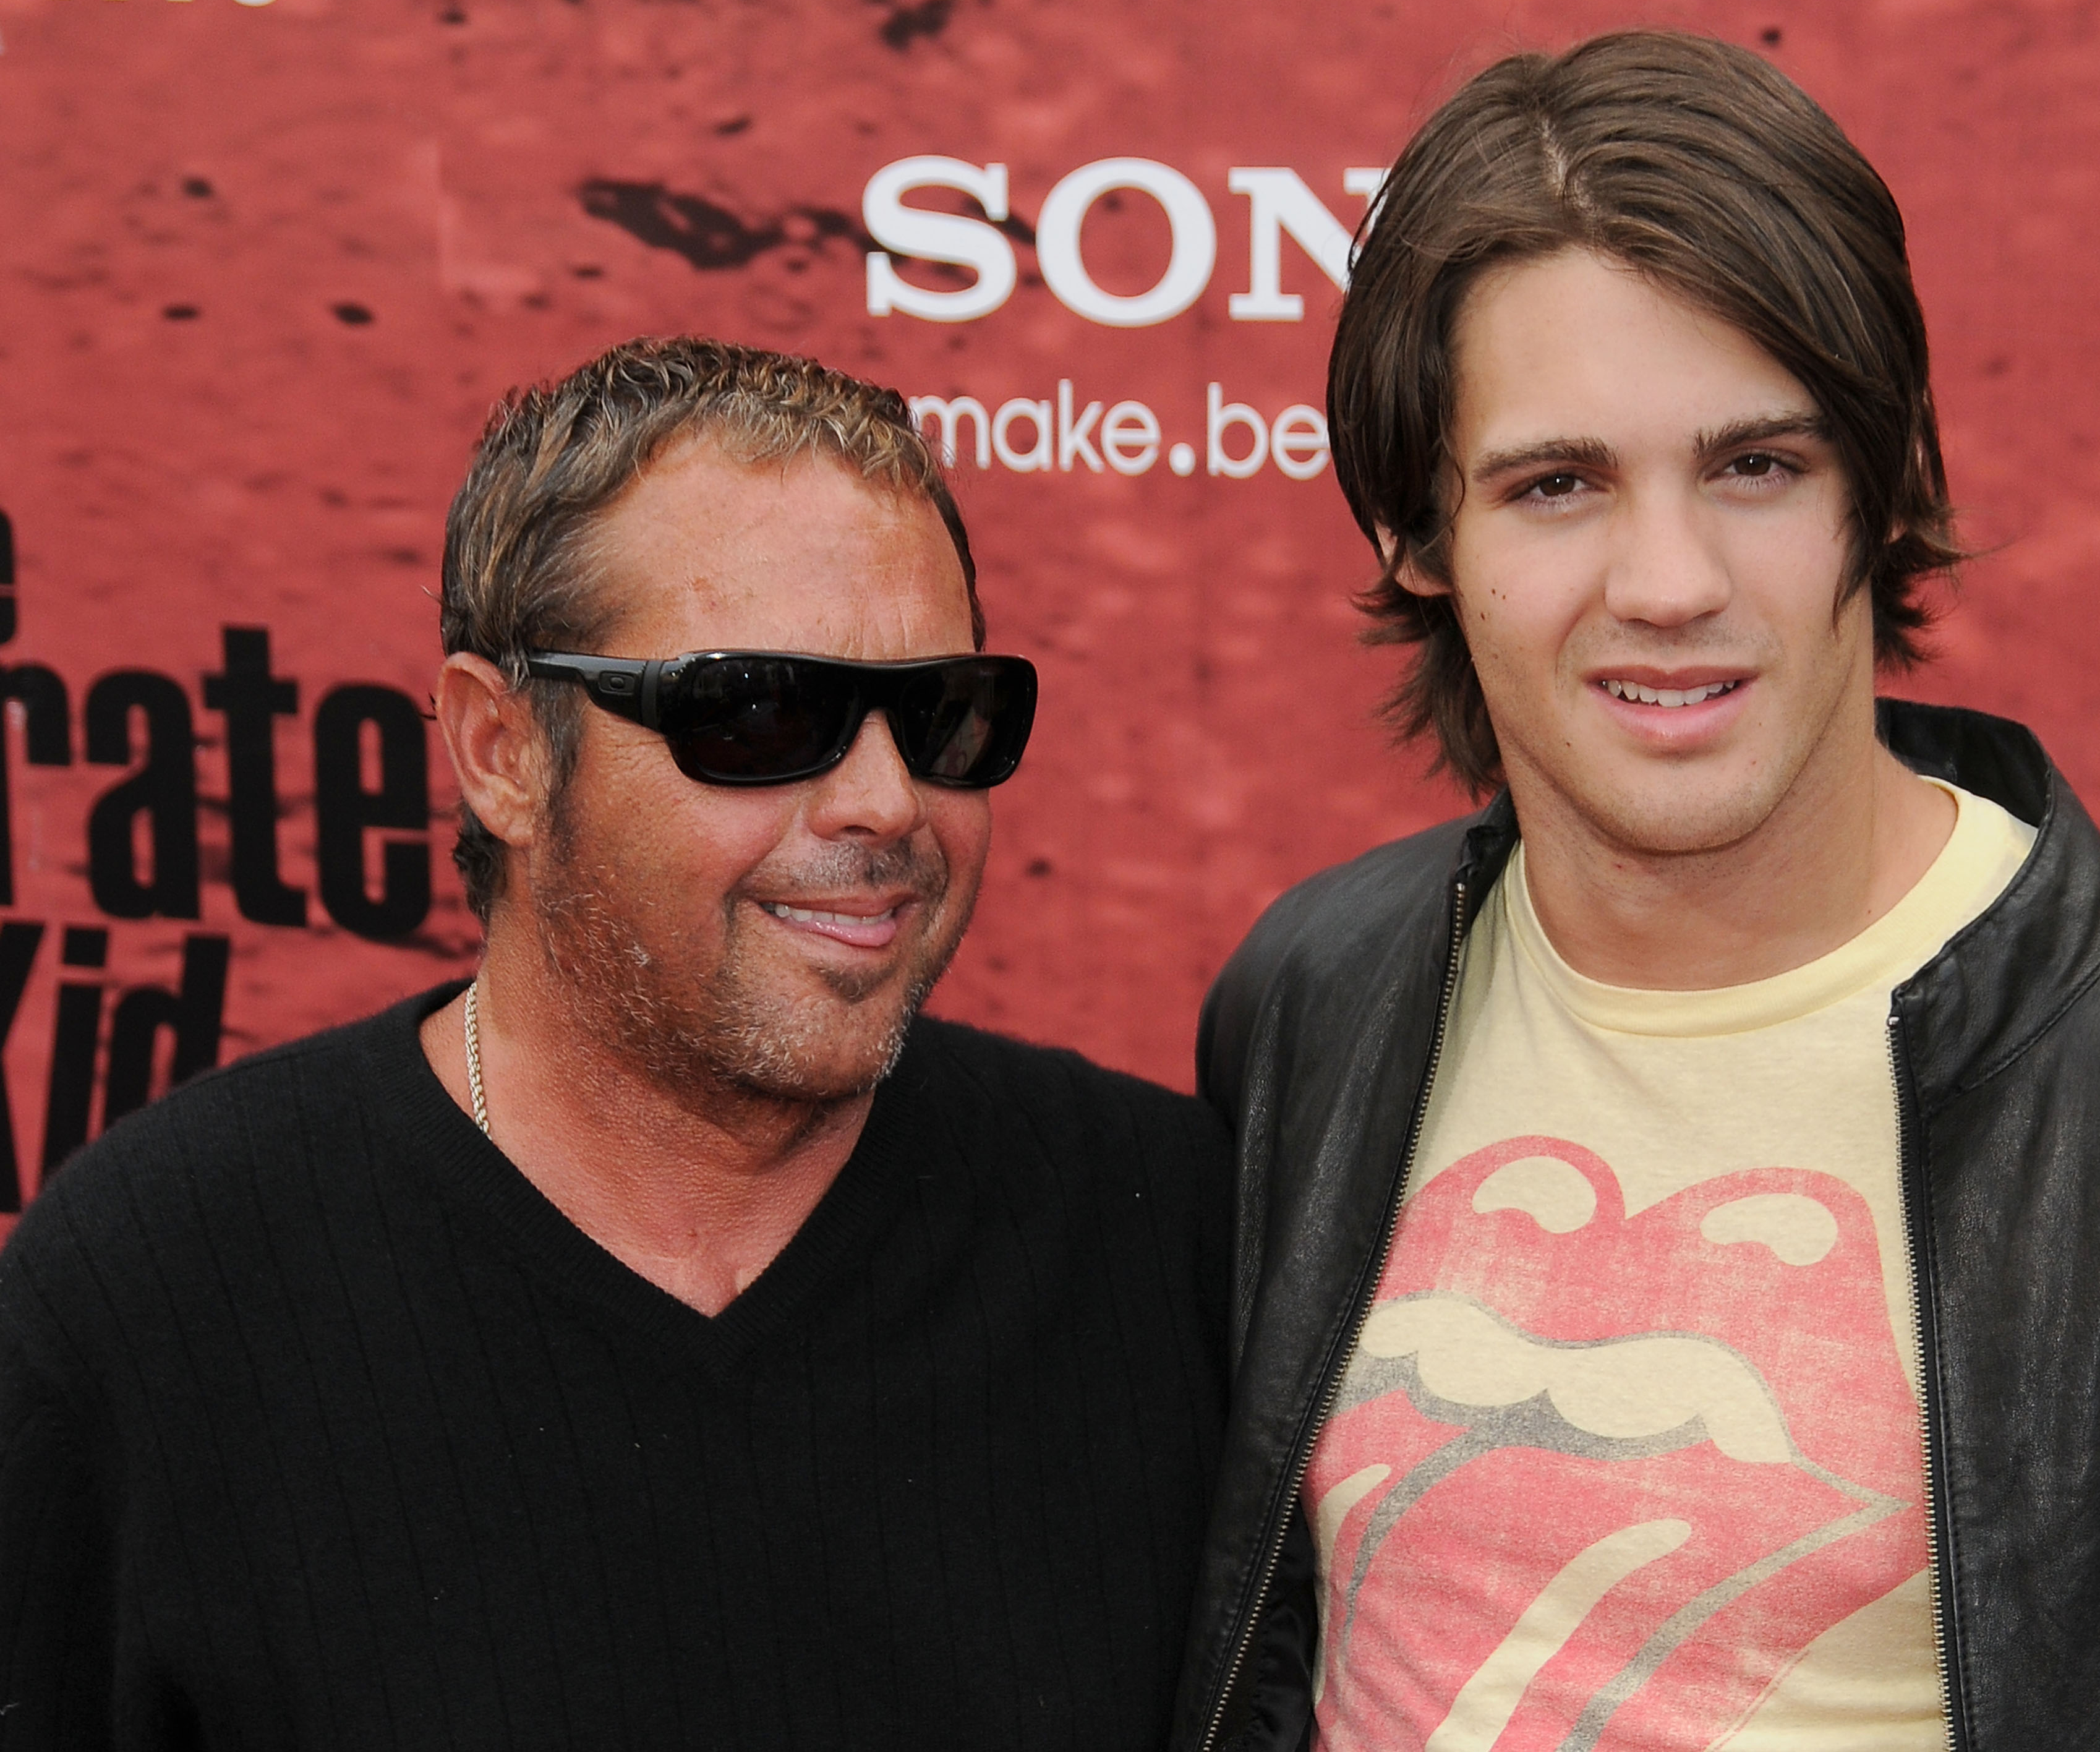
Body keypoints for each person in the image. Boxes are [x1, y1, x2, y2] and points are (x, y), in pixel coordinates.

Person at [1172, 30, 2100, 1752]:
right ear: (1419, 538)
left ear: (1879, 495)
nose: (1668, 583)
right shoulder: (1316, 989)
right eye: (1558, 486)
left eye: (1757, 466)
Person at [0, 338, 1232, 1749]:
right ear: (501, 749)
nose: (890, 802)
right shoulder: (153, 1298)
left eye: (946, 716)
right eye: (765, 713)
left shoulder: (1161, 1234)